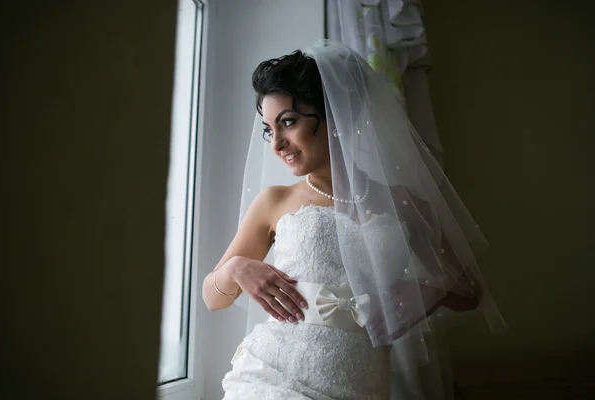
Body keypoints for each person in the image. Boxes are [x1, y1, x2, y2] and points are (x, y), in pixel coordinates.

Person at [202, 40, 505, 400]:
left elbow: (470, 292)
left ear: (335, 115)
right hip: (272, 379)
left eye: (288, 122)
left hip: (360, 387)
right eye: (270, 129)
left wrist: (430, 289)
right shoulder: (275, 201)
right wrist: (237, 267)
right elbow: (212, 298)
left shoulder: (403, 202)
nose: (277, 144)